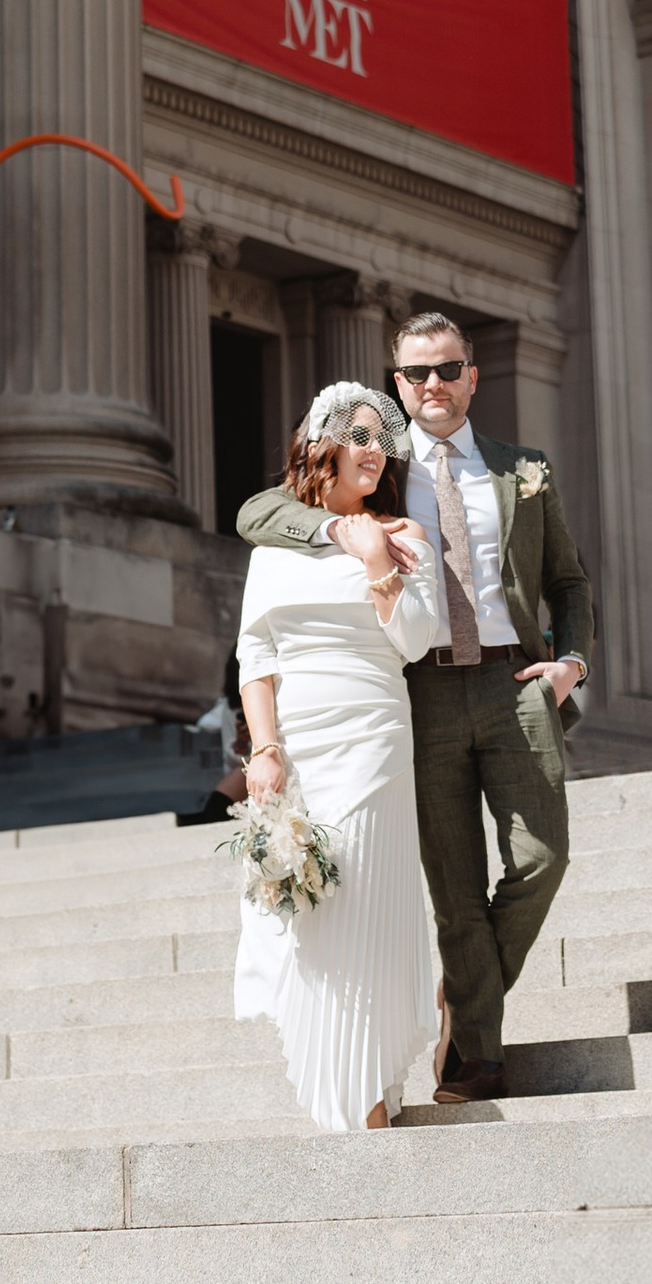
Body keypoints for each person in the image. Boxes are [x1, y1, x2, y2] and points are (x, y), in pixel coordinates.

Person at [238, 305, 592, 1103]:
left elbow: (569, 579)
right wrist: (347, 540)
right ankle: (475, 1054)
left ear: (473, 375)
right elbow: (259, 512)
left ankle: (465, 1001)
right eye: (416, 373)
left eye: (447, 368)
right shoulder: (384, 471)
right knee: (454, 883)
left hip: (515, 684)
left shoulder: (520, 468)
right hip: (418, 690)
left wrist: (571, 661)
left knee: (542, 858)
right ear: (398, 386)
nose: (433, 384)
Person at [232, 384, 443, 1133]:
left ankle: (371, 1090)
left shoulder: (408, 534)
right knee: (317, 913)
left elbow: (416, 641)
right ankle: (342, 1091)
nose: (373, 446)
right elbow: (256, 656)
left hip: (375, 732)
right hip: (303, 741)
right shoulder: (276, 546)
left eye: (381, 435)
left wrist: (380, 559)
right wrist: (264, 749)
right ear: (320, 446)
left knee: (367, 904)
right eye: (356, 434)